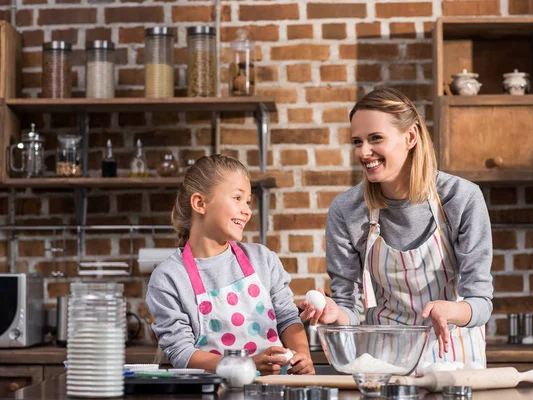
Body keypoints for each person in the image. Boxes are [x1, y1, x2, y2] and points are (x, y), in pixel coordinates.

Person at [300, 87, 493, 368]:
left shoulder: (460, 198)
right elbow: (350, 307)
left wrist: (450, 309)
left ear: (411, 137)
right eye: (357, 141)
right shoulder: (347, 210)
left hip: (455, 359)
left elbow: (481, 302)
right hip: (386, 363)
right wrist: (335, 313)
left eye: (375, 138)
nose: (364, 152)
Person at [147, 154, 314, 375]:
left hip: (273, 389)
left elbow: (287, 319)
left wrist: (302, 354)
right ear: (200, 203)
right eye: (237, 198)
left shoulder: (263, 260)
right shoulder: (169, 278)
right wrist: (246, 364)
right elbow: (182, 353)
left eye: (248, 201)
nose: (247, 210)